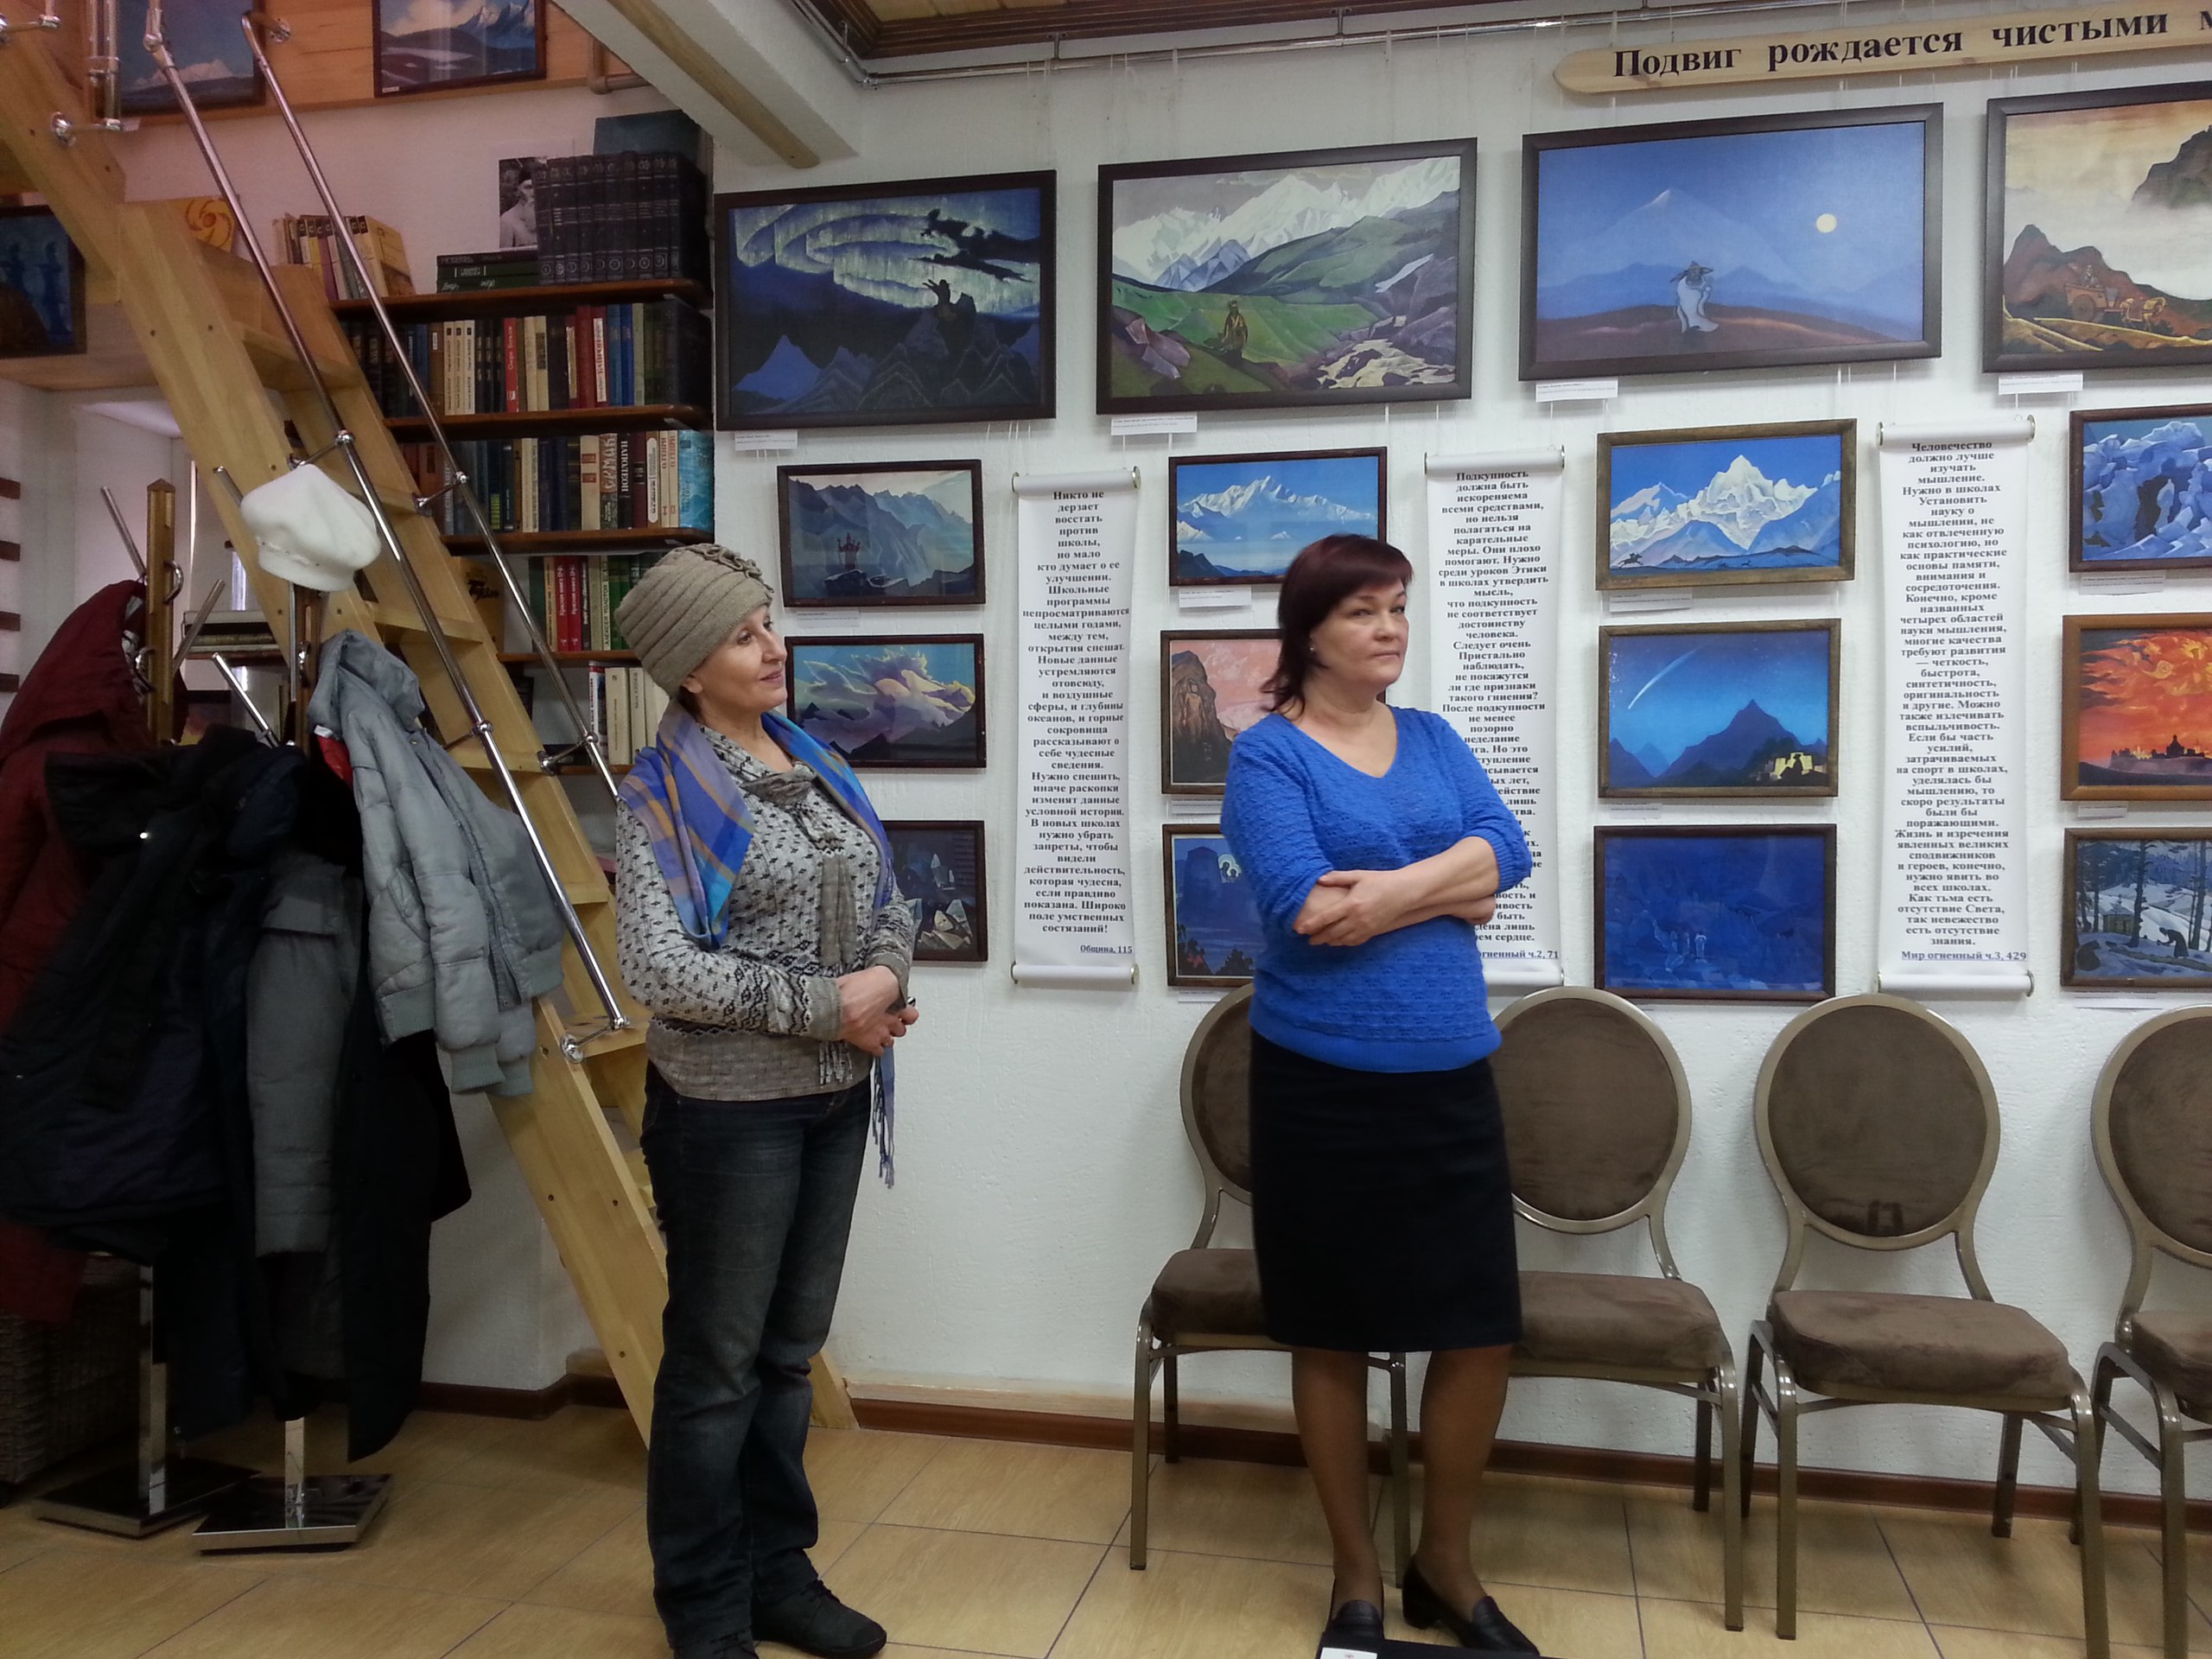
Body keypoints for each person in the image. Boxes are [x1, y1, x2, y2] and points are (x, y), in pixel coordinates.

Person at [1219, 534, 1535, 1655]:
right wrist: (1451, 888)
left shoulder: (1436, 739)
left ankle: (1444, 1566)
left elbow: (1510, 853)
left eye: (1398, 606)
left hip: (1451, 1078)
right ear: (1309, 633)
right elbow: (1310, 909)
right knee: (1331, 1334)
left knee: (1479, 1330)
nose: (1391, 628)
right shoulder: (1268, 758)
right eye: (1364, 611)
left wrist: (1394, 891)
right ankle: (1355, 1579)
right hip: (1320, 1088)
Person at [612, 545, 918, 1659]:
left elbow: (892, 897)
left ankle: (777, 1574)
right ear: (689, 668)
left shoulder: (816, 762)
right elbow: (659, 968)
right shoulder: (660, 796)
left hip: (836, 1102)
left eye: (767, 624)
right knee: (716, 1368)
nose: (771, 647)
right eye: (742, 635)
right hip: (725, 1116)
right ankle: (702, 1601)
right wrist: (831, 1006)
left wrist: (881, 981)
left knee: (788, 1355)